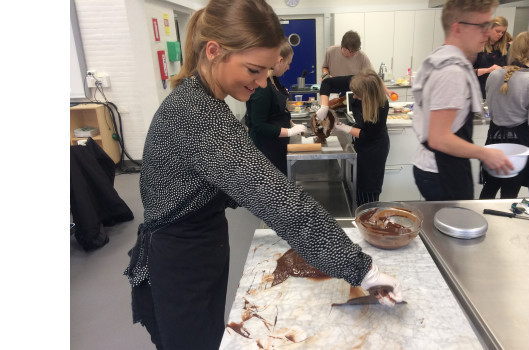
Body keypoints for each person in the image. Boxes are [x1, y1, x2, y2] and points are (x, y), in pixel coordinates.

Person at [123, 1, 402, 349]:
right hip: (182, 258)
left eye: (267, 70)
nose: (260, 81)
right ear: (214, 51)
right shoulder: (196, 113)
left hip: (200, 242)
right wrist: (363, 269)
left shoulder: (203, 101)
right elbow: (283, 203)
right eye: (254, 69)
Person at [411, 0, 514, 201]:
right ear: (458, 28)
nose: (487, 32)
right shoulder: (452, 72)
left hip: (436, 168)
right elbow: (439, 138)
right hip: (442, 170)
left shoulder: (441, 58)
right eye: (482, 25)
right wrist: (486, 154)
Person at [315, 69, 390, 205]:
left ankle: (368, 214)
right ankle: (357, 211)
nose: (353, 97)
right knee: (357, 182)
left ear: (368, 96)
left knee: (368, 187)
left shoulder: (381, 107)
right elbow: (326, 83)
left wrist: (346, 128)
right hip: (361, 143)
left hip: (374, 149)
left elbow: (368, 135)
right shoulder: (358, 81)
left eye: (357, 95)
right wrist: (324, 106)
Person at [479, 31, 529, 199]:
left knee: (489, 187)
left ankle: (480, 219)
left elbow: (492, 108)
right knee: (510, 193)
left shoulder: (494, 75)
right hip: (517, 146)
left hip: (495, 139)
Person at [245, 41, 306, 175]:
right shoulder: (262, 87)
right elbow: (259, 125)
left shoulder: (274, 80)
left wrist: (292, 124)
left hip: (278, 144)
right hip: (266, 150)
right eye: (288, 63)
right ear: (279, 60)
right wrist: (289, 132)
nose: (288, 68)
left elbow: (278, 111)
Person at [321, 30, 396, 98]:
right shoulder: (331, 51)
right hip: (334, 90)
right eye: (352, 51)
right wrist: (326, 75)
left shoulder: (361, 56)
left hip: (353, 91)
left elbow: (374, 76)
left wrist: (387, 91)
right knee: (332, 112)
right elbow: (325, 67)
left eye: (357, 50)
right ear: (343, 47)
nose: (355, 53)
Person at [473, 16, 509, 99]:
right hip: (479, 92)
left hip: (498, 93)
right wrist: (488, 70)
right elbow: (467, 72)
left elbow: (513, 68)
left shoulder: (506, 48)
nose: (500, 34)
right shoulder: (477, 46)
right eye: (497, 31)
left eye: (503, 32)